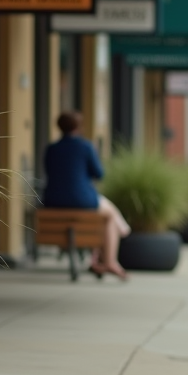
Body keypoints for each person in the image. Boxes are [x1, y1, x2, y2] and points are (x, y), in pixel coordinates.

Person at [42, 111, 130, 281]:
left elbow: (49, 171)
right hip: (82, 200)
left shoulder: (51, 149)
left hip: (53, 200)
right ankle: (110, 260)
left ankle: (96, 258)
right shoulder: (86, 146)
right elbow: (99, 173)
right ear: (79, 127)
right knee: (109, 216)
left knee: (105, 212)